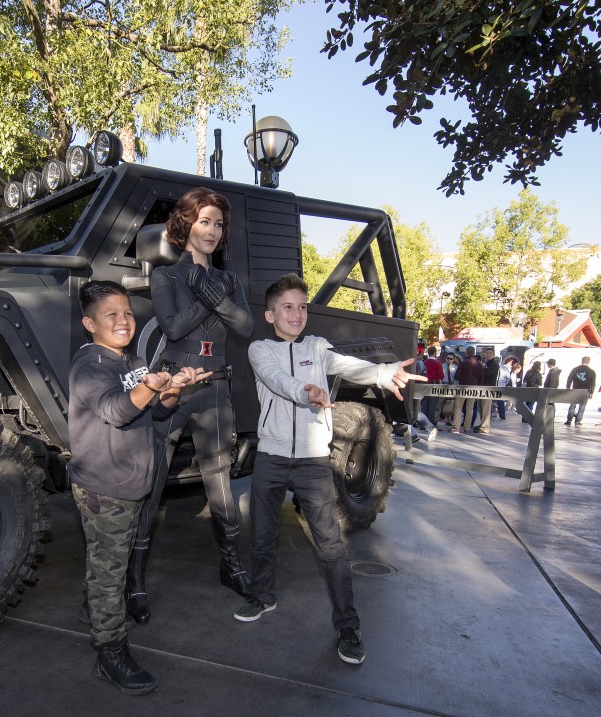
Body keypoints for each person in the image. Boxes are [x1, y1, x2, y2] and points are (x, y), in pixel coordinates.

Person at [238, 273, 426, 665]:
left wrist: (382, 373)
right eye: (287, 307)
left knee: (331, 548)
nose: (296, 313)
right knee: (262, 537)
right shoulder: (260, 350)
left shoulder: (318, 347)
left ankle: (347, 626)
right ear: (271, 315)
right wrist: (305, 391)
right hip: (271, 458)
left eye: (302, 307)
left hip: (312, 462)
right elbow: (277, 380)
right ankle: (262, 597)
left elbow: (349, 366)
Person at [68, 280, 210, 695]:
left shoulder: (130, 360)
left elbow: (154, 418)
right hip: (105, 485)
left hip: (131, 483)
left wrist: (169, 393)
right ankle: (109, 652)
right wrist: (151, 387)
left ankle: (94, 606)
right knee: (110, 571)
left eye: (127, 313)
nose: (123, 320)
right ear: (89, 323)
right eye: (111, 314)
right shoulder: (91, 365)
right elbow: (116, 411)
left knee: (108, 560)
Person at [128, 187, 255, 623]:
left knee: (220, 483)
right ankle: (135, 582)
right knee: (153, 482)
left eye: (219, 224)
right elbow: (174, 327)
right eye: (204, 221)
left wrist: (215, 295)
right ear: (186, 226)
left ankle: (232, 566)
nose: (213, 231)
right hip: (175, 386)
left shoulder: (230, 280)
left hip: (216, 387)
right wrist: (208, 297)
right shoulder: (166, 276)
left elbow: (248, 325)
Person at [452, 346, 484, 433]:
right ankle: (467, 427)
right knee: (470, 407)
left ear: (466, 352)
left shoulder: (463, 363)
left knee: (458, 407)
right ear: (474, 353)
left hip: (462, 388)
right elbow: (481, 379)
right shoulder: (478, 364)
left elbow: (456, 376)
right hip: (474, 389)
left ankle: (456, 427)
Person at [564, 357, 596, 426]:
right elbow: (593, 383)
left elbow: (569, 378)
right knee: (582, 406)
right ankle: (578, 421)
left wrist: (568, 387)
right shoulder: (592, 372)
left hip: (575, 390)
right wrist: (591, 392)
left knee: (573, 405)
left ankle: (569, 420)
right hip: (585, 391)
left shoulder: (575, 369)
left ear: (581, 361)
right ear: (589, 362)